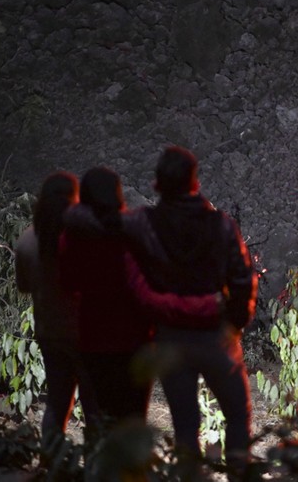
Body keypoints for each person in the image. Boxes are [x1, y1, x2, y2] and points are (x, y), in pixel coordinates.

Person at [124, 146, 258, 478]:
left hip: (169, 337)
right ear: (194, 183)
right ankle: (239, 474)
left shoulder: (143, 224)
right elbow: (242, 279)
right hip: (214, 334)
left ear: (158, 184)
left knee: (185, 426)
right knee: (238, 416)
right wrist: (235, 324)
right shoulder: (220, 225)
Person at [59, 166, 221, 434]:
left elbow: (67, 283)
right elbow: (147, 291)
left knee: (97, 421)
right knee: (131, 423)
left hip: (90, 340)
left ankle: (98, 471)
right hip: (132, 343)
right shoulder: (130, 235)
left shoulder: (72, 237)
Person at [14, 171, 97, 448]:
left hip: (50, 333)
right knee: (95, 408)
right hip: (87, 336)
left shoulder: (27, 240)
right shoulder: (86, 238)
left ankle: (50, 465)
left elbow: (24, 286)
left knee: (58, 403)